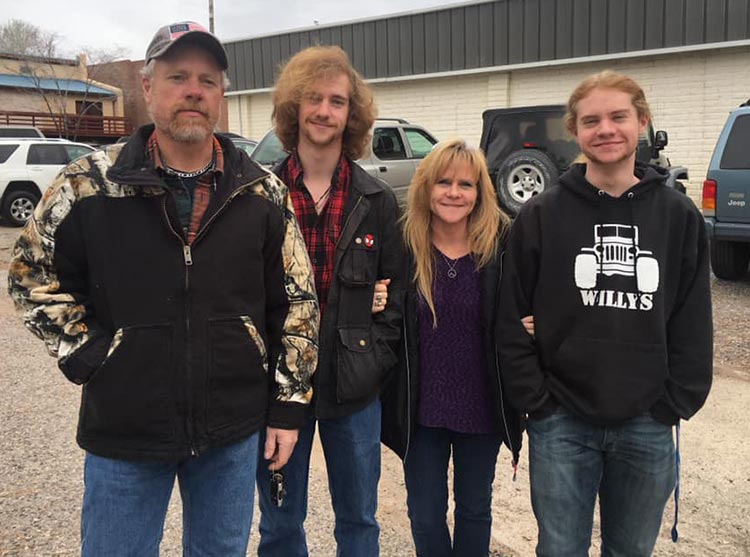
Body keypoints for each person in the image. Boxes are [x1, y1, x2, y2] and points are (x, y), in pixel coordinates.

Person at [7, 21, 319, 556]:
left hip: (231, 431)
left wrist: (288, 407)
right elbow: (30, 274)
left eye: (207, 79)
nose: (193, 90)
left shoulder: (262, 194)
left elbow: (297, 302)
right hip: (126, 429)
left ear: (221, 94)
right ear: (148, 87)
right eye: (177, 76)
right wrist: (91, 353)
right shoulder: (89, 184)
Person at [497, 70, 713, 555]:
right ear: (575, 130)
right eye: (591, 120)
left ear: (642, 121)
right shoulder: (541, 214)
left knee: (631, 550)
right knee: (559, 548)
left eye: (619, 117)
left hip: (647, 420)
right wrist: (538, 400)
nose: (606, 129)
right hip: (562, 422)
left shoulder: (678, 216)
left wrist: (673, 403)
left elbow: (692, 320)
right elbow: (510, 318)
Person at [255, 46, 405, 556]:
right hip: (278, 389)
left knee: (360, 521)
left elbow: (397, 293)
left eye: (337, 101)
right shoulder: (262, 194)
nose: (324, 110)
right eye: (313, 98)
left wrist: (375, 356)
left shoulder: (377, 201)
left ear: (352, 114)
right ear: (293, 108)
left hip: (354, 391)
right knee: (278, 524)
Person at [380, 138, 523, 556]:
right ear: (426, 186)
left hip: (482, 406)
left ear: (481, 191)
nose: (454, 193)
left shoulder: (502, 245)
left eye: (466, 184)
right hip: (421, 410)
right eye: (444, 182)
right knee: (424, 513)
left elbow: (530, 302)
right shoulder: (404, 245)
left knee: (475, 509)